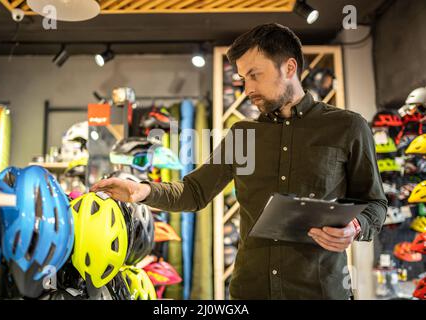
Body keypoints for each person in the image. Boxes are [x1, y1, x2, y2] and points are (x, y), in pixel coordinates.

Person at [91, 23, 387, 299]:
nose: (247, 89)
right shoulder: (243, 134)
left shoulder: (348, 127)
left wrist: (356, 226)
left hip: (320, 290)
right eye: (243, 78)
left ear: (289, 67)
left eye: (255, 75)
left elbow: (375, 204)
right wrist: (141, 191)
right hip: (250, 290)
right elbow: (194, 192)